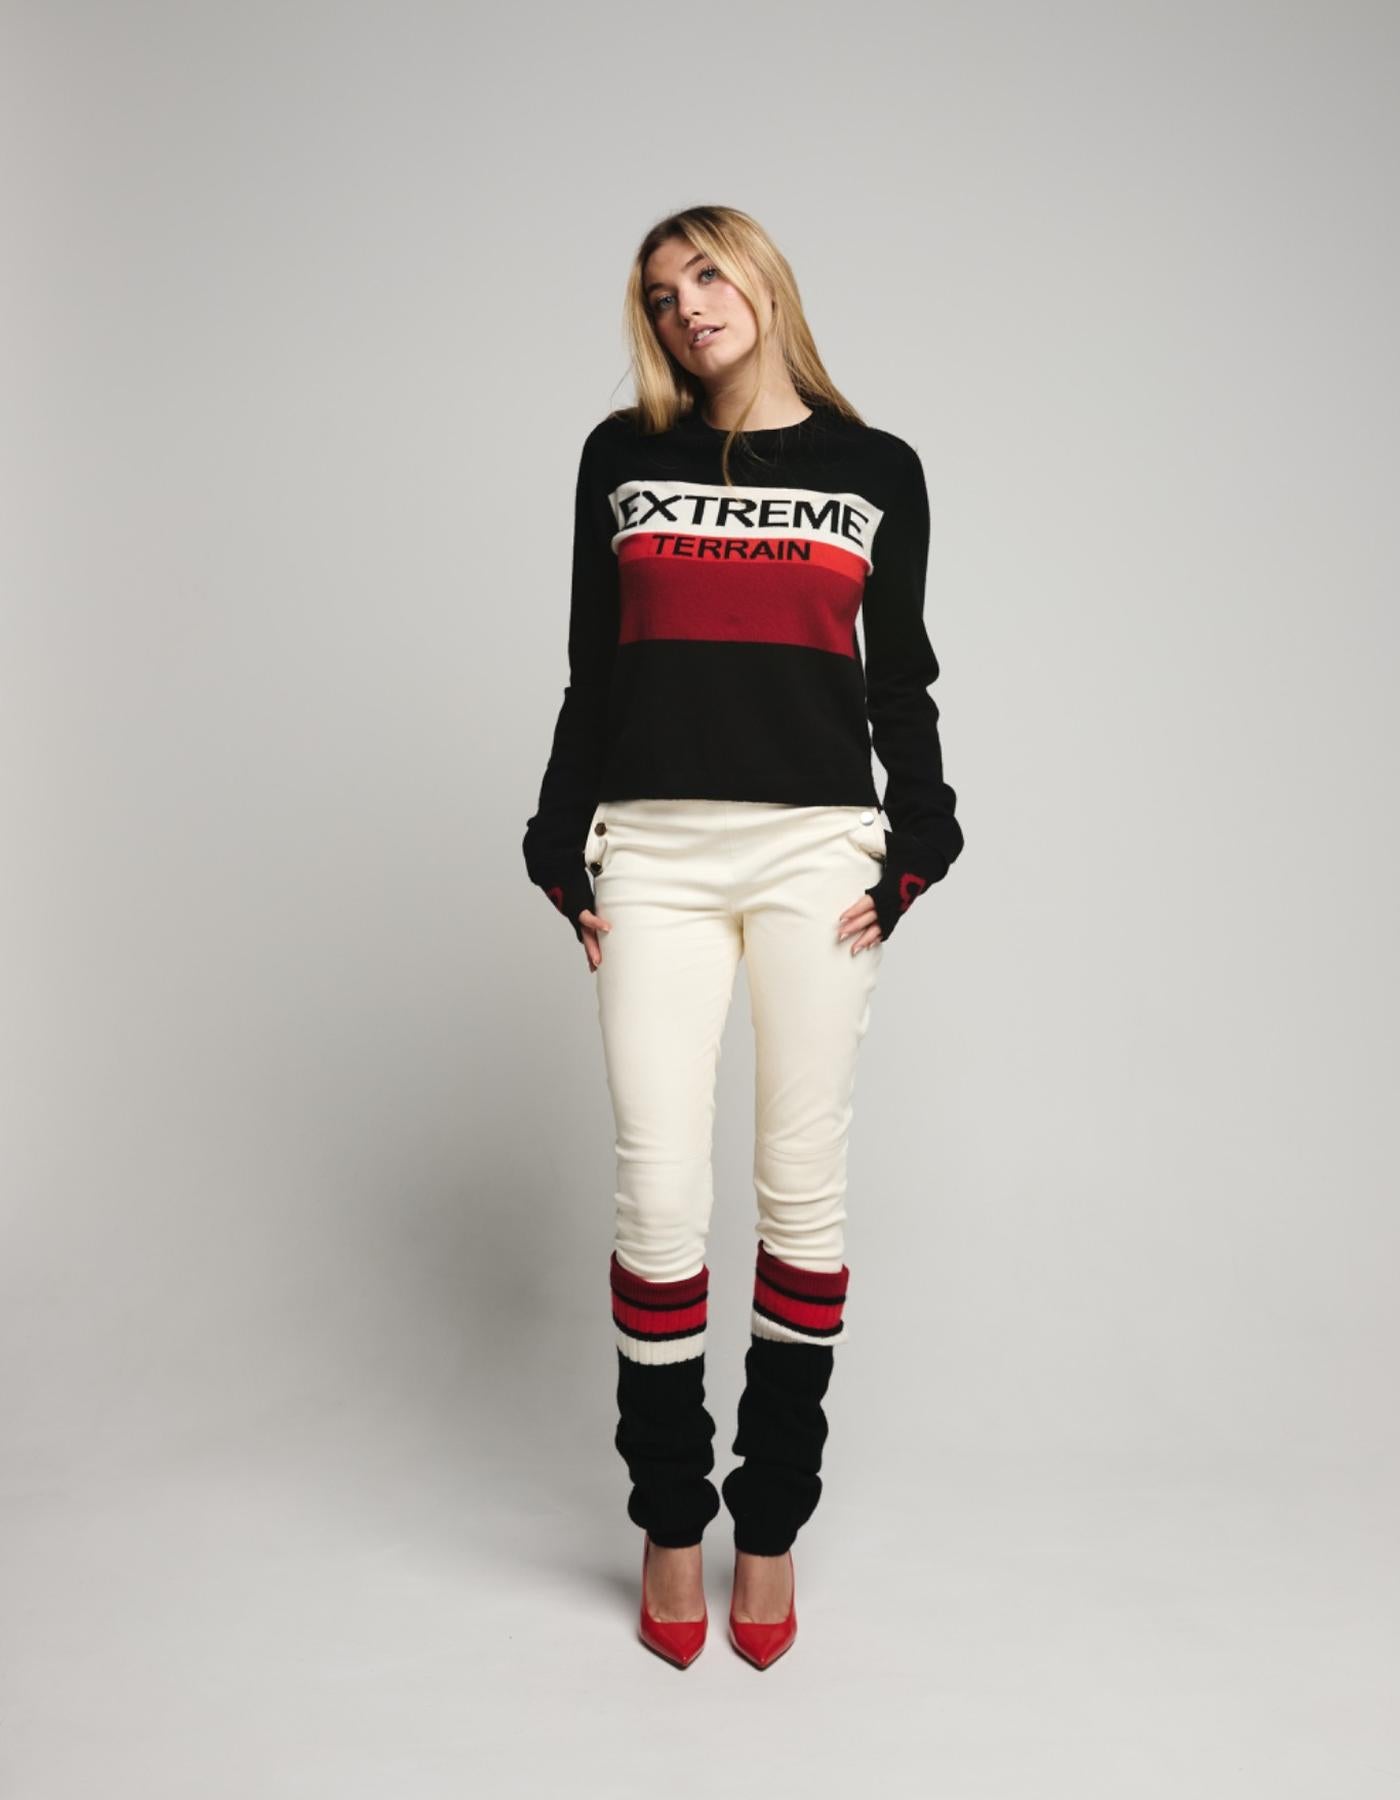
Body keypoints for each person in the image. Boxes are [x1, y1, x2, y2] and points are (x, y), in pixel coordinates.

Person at [521, 204, 966, 1668]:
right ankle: (669, 1517)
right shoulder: (621, 459)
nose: (687, 307)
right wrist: (557, 835)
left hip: (813, 857)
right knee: (658, 1195)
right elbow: (593, 672)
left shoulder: (876, 471)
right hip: (652, 852)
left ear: (764, 280)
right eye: (660, 294)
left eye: (707, 273)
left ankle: (768, 1525)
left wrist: (921, 837)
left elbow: (898, 681)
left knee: (800, 1190)